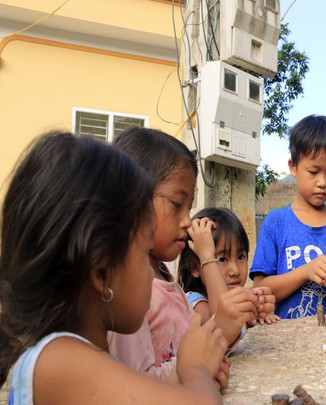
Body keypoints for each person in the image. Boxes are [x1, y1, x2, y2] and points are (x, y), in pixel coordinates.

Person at [0, 132, 226, 404]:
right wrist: (195, 368)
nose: (150, 271)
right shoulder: (58, 361)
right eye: (144, 255)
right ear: (102, 272)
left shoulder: (82, 354)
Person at [108, 128, 271, 386]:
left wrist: (224, 333)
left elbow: (194, 349)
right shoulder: (127, 294)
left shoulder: (165, 281)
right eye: (177, 205)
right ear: (132, 201)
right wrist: (195, 370)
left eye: (189, 207)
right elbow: (134, 388)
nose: (186, 221)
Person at [251, 115, 326, 319]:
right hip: (289, 341)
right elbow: (261, 290)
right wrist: (305, 272)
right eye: (313, 172)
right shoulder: (276, 222)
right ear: (293, 167)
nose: (322, 182)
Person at [178, 207, 280, 330]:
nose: (235, 271)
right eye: (222, 259)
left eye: (241, 256)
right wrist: (207, 257)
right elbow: (221, 327)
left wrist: (255, 313)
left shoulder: (237, 301)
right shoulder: (195, 303)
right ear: (195, 267)